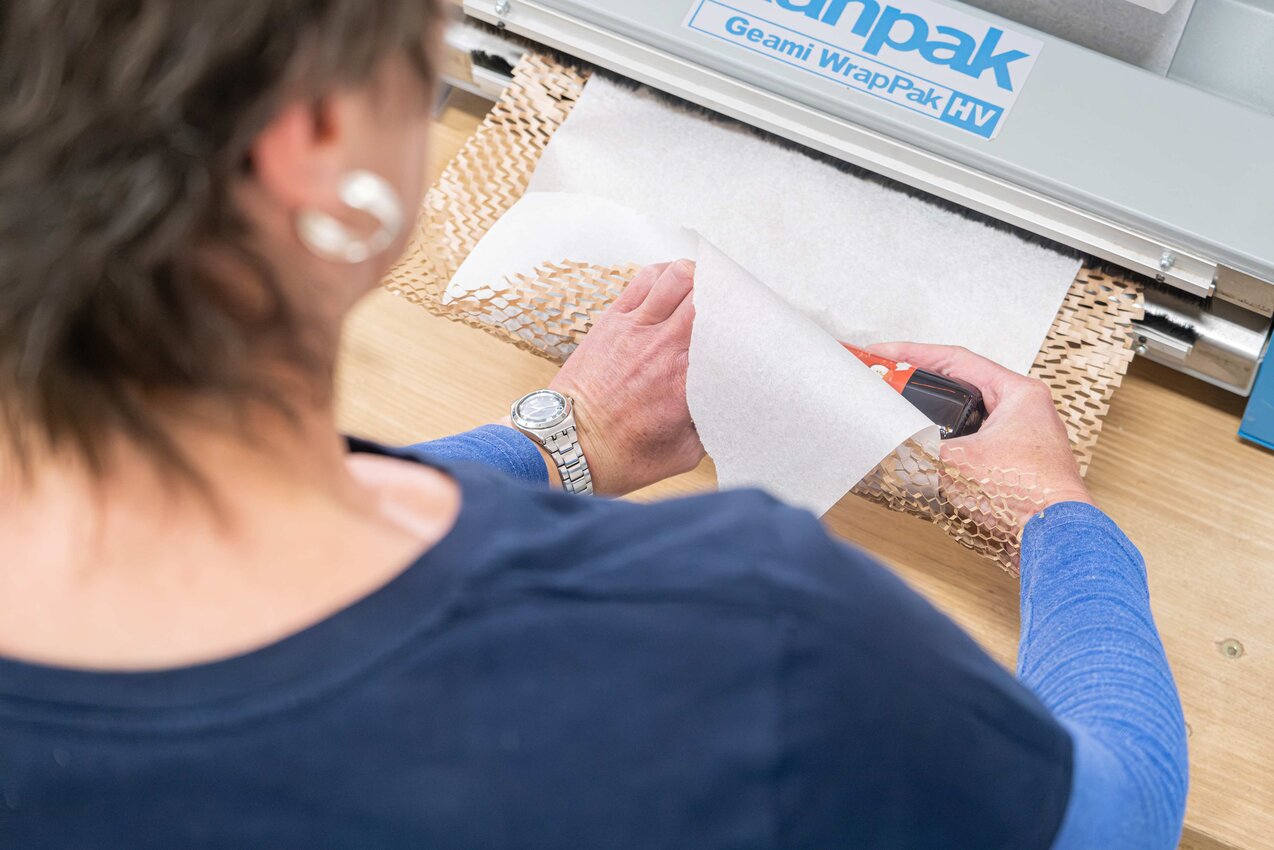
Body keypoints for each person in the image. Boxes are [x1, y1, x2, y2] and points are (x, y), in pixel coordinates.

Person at [0, 2, 1186, 849]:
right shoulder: (753, 635)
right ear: (320, 154)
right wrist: (1055, 519)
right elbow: (1114, 815)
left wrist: (556, 441)